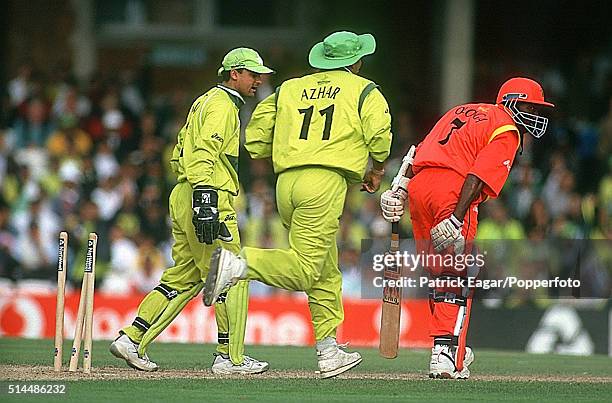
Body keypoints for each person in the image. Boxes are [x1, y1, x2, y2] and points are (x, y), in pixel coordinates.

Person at [202, 31, 393, 378]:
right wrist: (376, 169)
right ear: (356, 62)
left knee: (324, 269)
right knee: (306, 267)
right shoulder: (365, 90)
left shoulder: (289, 88)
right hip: (324, 183)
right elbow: (380, 138)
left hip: (286, 183)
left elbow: (256, 140)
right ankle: (239, 263)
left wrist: (287, 153)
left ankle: (328, 349)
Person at [109, 48, 274, 374]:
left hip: (185, 192)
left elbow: (178, 152)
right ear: (234, 74)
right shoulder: (222, 105)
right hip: (207, 193)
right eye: (253, 74)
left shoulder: (204, 101)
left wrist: (193, 194)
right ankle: (230, 358)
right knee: (232, 273)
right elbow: (204, 152)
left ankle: (132, 337)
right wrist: (205, 199)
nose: (258, 80)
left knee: (184, 277)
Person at [379, 77, 554, 379]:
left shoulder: (461, 110)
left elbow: (417, 151)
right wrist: (457, 218)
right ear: (511, 101)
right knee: (454, 275)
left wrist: (398, 189)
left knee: (437, 273)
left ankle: (447, 345)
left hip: (420, 188)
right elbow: (477, 176)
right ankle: (446, 352)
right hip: (455, 191)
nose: (535, 115)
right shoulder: (506, 128)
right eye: (529, 106)